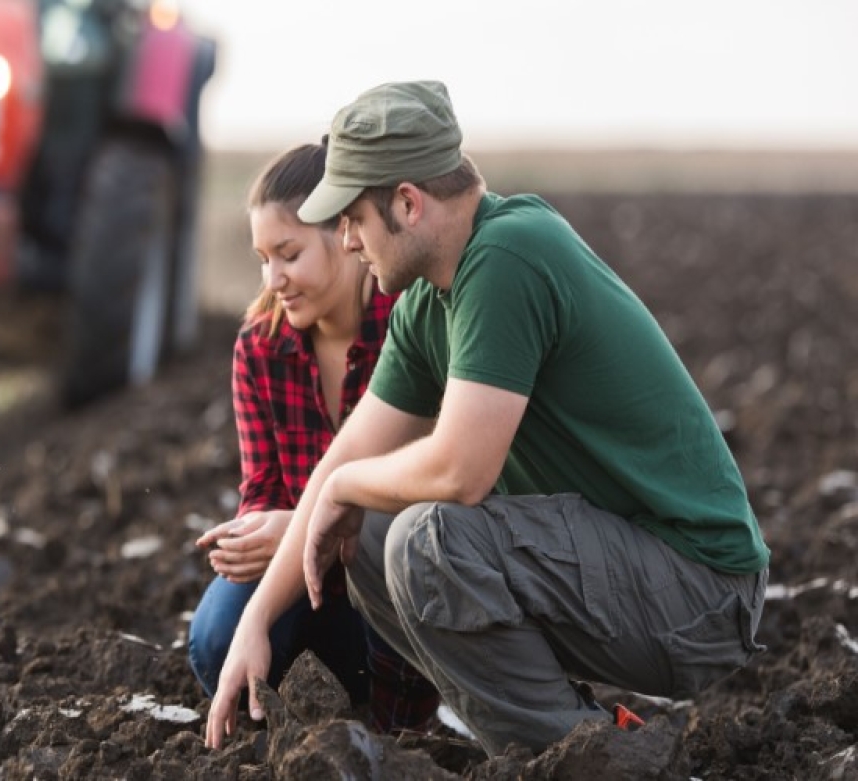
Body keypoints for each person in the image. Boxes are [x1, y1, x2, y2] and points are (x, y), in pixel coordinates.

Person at [205, 80, 770, 756]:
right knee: (373, 534)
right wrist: (256, 621)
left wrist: (341, 488)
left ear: (408, 204)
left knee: (427, 538)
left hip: (700, 588)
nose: (349, 242)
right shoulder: (425, 305)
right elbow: (345, 459)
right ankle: (582, 741)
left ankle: (603, 762)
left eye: (353, 219)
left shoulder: (508, 255)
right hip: (619, 569)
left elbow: (460, 470)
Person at [188, 141, 439, 734]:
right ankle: (296, 724)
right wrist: (263, 529)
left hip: (396, 586)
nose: (273, 278)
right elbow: (261, 486)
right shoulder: (259, 345)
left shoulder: (408, 324)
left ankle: (397, 730)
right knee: (215, 637)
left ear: (346, 234)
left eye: (289, 254)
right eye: (261, 259)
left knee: (390, 541)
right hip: (303, 584)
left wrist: (304, 527)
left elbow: (430, 485)